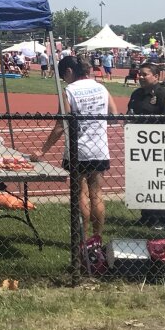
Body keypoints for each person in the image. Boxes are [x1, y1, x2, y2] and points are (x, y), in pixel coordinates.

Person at [34, 55, 118, 240]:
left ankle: (82, 239)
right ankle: (97, 238)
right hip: (99, 148)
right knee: (96, 193)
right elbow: (114, 114)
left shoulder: (69, 90)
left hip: (77, 150)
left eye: (64, 75)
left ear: (70, 71)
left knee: (80, 193)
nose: (64, 80)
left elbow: (59, 126)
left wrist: (43, 150)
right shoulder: (101, 87)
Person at [127, 62, 165, 230]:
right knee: (143, 181)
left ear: (156, 76)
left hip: (159, 147)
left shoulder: (164, 96)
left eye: (145, 74)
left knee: (160, 183)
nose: (140, 77)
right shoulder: (136, 94)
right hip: (139, 145)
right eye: (139, 74)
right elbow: (130, 114)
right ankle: (147, 216)